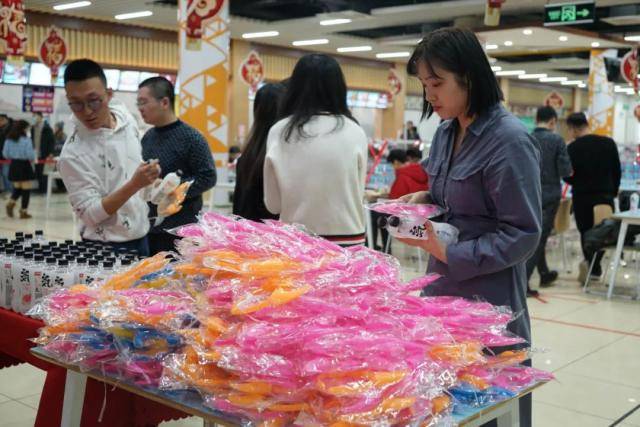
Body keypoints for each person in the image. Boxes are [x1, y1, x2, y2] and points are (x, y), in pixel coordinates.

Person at [398, 28, 541, 427]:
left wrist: (452, 253)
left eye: (437, 83)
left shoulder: (508, 141)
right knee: (447, 403)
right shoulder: (446, 132)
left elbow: (523, 233)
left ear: (470, 76)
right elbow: (452, 199)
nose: (429, 95)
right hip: (440, 288)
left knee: (491, 404)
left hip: (488, 298)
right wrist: (424, 200)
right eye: (425, 84)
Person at [58, 59, 161, 256]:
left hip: (142, 236)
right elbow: (90, 215)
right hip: (102, 248)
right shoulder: (72, 154)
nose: (87, 111)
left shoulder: (126, 119)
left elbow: (131, 167)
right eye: (76, 104)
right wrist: (135, 184)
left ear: (109, 94)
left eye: (94, 101)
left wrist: (151, 181)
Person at [264, 54, 368, 247]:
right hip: (348, 242)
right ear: (339, 88)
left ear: (295, 87)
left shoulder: (280, 131)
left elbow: (273, 204)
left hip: (295, 245)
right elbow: (357, 193)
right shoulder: (355, 131)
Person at [137, 76, 217, 255]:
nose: (140, 108)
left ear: (164, 102)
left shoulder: (191, 138)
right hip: (149, 225)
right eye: (138, 103)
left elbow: (208, 177)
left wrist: (174, 191)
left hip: (181, 230)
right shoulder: (148, 137)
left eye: (144, 102)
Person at [563, 112, 621, 283]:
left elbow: (568, 175)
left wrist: (574, 180)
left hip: (583, 197)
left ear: (573, 128)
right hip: (605, 196)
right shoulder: (608, 143)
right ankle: (596, 265)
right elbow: (617, 171)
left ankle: (592, 267)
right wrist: (613, 190)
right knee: (605, 231)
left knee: (586, 233)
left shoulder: (572, 148)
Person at [525, 106, 572, 297]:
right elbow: (565, 170)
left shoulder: (525, 138)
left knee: (533, 236)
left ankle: (544, 273)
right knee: (539, 238)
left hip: (527, 194)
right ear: (553, 121)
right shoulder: (556, 139)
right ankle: (523, 283)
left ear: (537, 119)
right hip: (549, 195)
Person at [233, 82, 285, 221]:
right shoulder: (282, 153)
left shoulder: (248, 154)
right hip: (276, 237)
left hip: (247, 234)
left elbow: (238, 208)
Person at [3, 120, 35, 218]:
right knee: (26, 189)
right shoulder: (26, 140)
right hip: (24, 165)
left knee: (18, 188)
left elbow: (5, 154)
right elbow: (30, 155)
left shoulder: (8, 140)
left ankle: (11, 203)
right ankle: (23, 211)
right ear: (24, 129)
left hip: (14, 165)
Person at [31, 112, 55, 194]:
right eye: (33, 116)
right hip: (35, 154)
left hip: (45, 153)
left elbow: (52, 141)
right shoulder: (33, 128)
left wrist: (51, 152)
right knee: (37, 172)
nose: (34, 118)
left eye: (35, 116)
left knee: (44, 172)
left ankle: (44, 190)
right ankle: (40, 188)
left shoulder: (47, 128)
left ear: (40, 117)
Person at [0, 114, 13, 196]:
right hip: (1, 155)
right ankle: (6, 189)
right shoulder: (2, 129)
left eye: (1, 120)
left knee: (6, 174)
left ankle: (10, 190)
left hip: (6, 156)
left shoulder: (10, 129)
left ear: (5, 120)